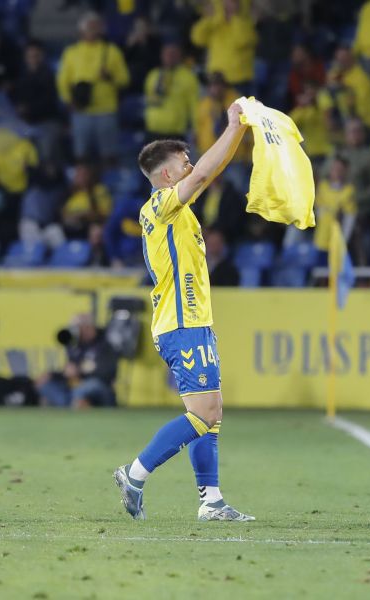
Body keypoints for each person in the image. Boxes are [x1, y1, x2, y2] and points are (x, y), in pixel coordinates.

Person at [113, 97, 253, 522]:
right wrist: (235, 127)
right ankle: (134, 473)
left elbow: (209, 171)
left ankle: (210, 501)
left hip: (193, 323)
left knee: (211, 415)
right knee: (204, 413)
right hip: (181, 323)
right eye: (185, 160)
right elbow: (209, 170)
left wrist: (238, 131)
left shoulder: (178, 212)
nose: (193, 166)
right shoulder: (160, 204)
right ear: (169, 173)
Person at [56, 12, 130, 165]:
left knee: (109, 155)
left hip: (106, 110)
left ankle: (108, 185)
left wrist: (110, 77)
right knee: (81, 155)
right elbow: (62, 81)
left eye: (96, 27)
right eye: (89, 27)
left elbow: (124, 80)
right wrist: (69, 100)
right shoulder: (71, 52)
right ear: (81, 30)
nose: (92, 31)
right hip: (81, 110)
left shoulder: (112, 51)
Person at [39, 314, 118, 408]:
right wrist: (52, 375)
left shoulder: (105, 343)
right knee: (46, 385)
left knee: (91, 385)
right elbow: (69, 370)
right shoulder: (74, 346)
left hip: (100, 387)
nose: (74, 331)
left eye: (77, 328)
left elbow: (107, 373)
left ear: (87, 327)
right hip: (75, 387)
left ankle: (73, 402)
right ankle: (75, 403)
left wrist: (80, 371)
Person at [190, 0, 257, 92]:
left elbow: (244, 41)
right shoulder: (214, 22)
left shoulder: (246, 21)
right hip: (216, 78)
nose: (228, 5)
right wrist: (210, 19)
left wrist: (235, 17)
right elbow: (198, 39)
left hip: (239, 78)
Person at [143, 42, 199, 142]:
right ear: (162, 55)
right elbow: (149, 100)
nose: (170, 57)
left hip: (174, 133)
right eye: (167, 54)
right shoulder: (153, 75)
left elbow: (194, 107)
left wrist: (197, 129)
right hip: (153, 130)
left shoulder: (188, 77)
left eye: (173, 54)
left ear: (179, 56)